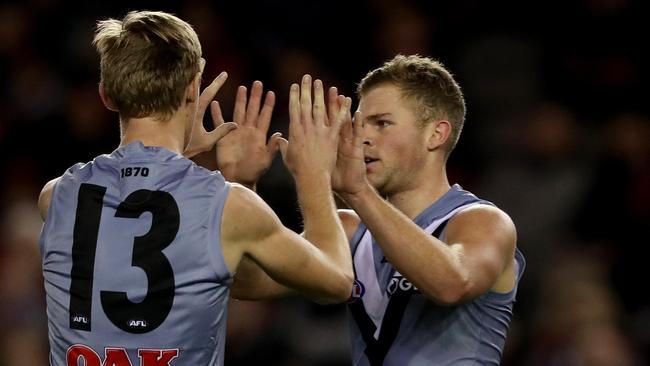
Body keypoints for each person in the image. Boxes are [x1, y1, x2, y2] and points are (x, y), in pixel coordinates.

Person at [36, 10, 354, 366]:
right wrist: (313, 174)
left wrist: (191, 161)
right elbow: (338, 282)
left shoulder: (56, 197)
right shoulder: (228, 204)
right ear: (192, 88)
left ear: (106, 95)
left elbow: (140, 213)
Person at [227, 54, 526, 365]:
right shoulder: (349, 230)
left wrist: (358, 192)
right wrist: (241, 185)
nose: (364, 137)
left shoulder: (484, 221)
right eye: (360, 124)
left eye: (382, 123)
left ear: (436, 134)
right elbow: (250, 284)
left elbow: (452, 283)